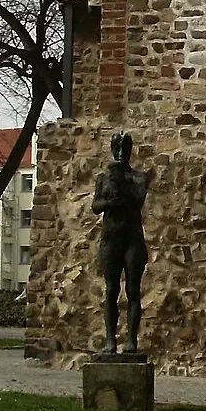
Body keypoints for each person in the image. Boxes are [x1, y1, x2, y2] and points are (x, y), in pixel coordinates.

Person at [91, 131, 152, 354]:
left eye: (124, 149)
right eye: (116, 149)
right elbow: (95, 206)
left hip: (132, 239)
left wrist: (121, 185)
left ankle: (131, 340)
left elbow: (138, 199)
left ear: (130, 151)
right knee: (111, 290)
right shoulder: (103, 179)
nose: (119, 153)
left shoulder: (138, 178)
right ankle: (110, 340)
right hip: (111, 239)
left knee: (133, 290)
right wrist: (109, 202)